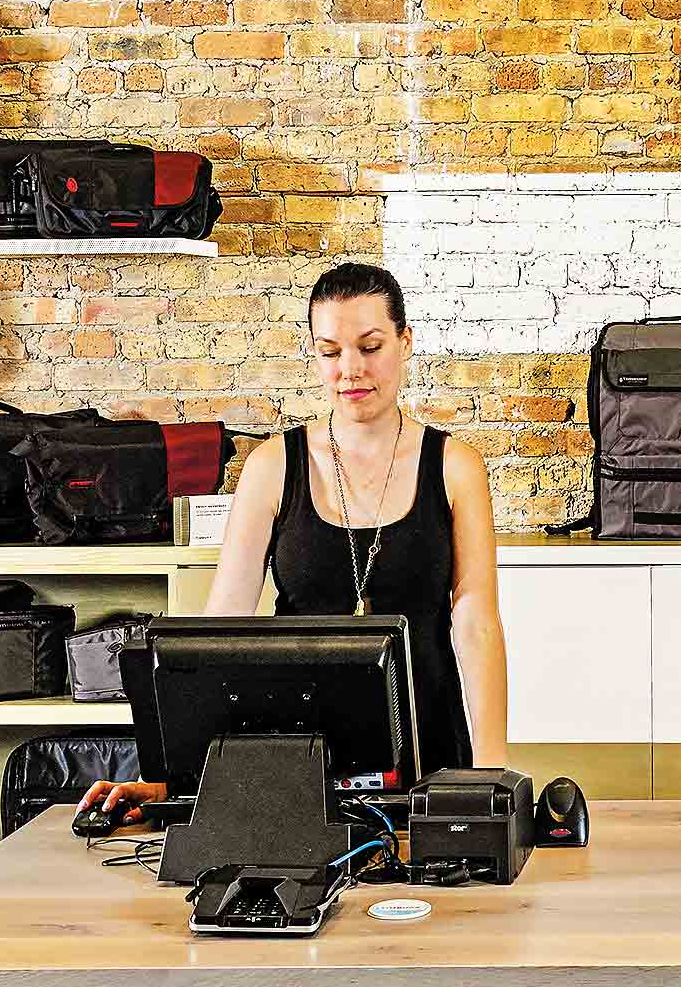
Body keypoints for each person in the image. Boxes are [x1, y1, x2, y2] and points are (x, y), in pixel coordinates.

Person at [80, 260, 509, 823]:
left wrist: (494, 772)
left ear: (405, 342)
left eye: (371, 346)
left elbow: (475, 622)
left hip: (428, 749)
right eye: (331, 352)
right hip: (296, 752)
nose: (351, 369)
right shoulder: (271, 466)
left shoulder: (456, 467)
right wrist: (170, 780)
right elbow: (221, 627)